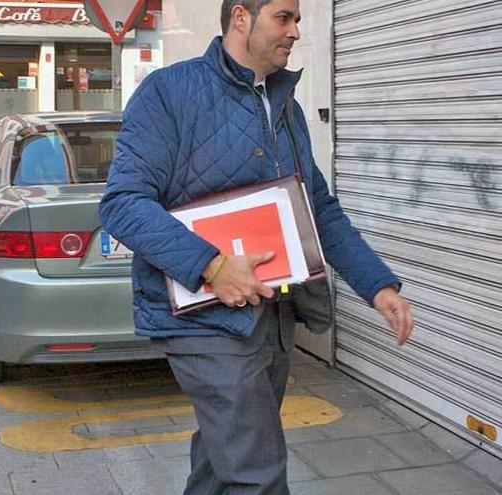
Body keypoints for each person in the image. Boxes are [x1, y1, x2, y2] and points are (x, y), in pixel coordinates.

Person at [98, 1, 414, 494]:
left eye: (298, 21)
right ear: (241, 17)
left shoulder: (287, 106)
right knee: (257, 473)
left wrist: (377, 285)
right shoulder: (169, 93)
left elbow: (319, 211)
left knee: (223, 464)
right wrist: (213, 265)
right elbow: (122, 204)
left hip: (274, 314)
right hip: (204, 320)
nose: (294, 32)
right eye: (283, 18)